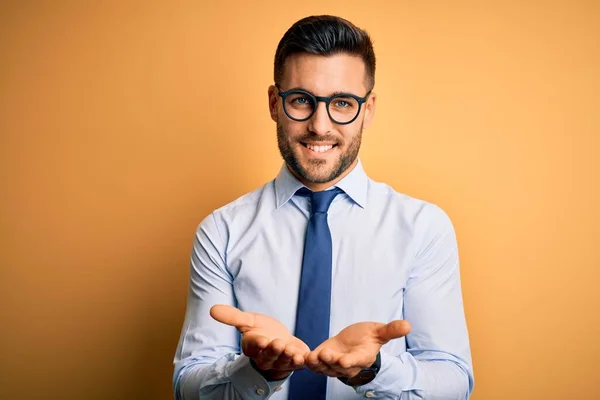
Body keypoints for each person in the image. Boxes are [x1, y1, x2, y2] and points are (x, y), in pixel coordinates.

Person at [173, 15, 474, 400]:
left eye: (342, 103)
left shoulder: (423, 228)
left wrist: (374, 371)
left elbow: (454, 384)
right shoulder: (222, 231)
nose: (320, 125)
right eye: (301, 100)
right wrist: (256, 371)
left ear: (368, 109)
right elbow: (188, 388)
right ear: (273, 103)